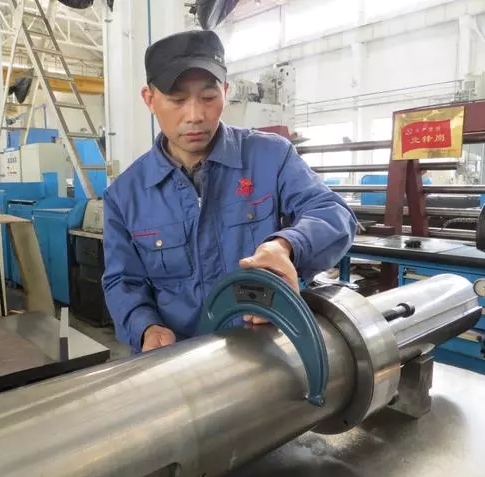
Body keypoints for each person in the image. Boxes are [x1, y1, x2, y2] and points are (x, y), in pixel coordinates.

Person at [102, 30, 358, 354]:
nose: (195, 115)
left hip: (268, 352)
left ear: (225, 91)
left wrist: (286, 246)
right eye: (177, 100)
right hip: (177, 361)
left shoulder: (270, 157)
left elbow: (333, 213)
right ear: (149, 99)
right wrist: (145, 328)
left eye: (209, 97)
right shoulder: (125, 195)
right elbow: (123, 281)